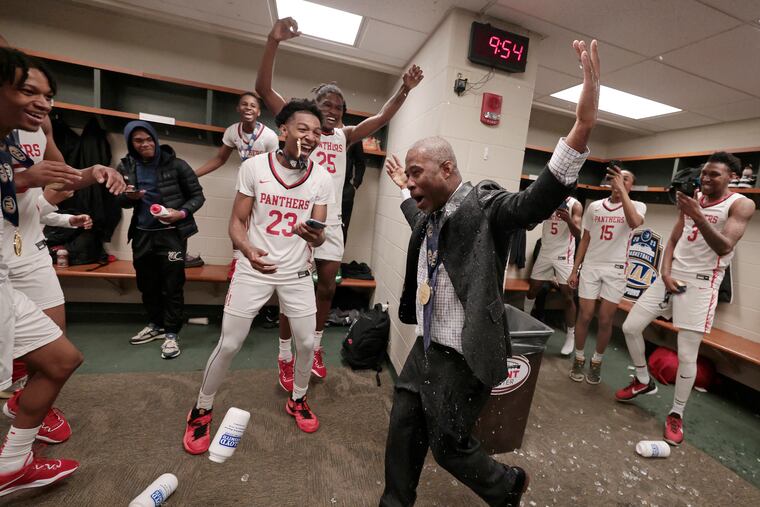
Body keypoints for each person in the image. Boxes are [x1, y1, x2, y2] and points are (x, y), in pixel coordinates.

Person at [380, 39, 600, 507]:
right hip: (428, 343)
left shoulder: (487, 208)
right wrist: (407, 190)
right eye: (410, 174)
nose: (412, 180)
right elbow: (419, 223)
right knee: (402, 428)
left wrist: (581, 126)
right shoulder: (430, 211)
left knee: (448, 446)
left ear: (448, 168)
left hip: (465, 351)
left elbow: (535, 201)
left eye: (419, 172)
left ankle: (507, 484)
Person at [256, 17, 423, 388]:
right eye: (326, 104)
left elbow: (381, 118)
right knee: (291, 290)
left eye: (339, 107)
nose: (333, 110)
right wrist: (273, 41)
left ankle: (314, 348)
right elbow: (264, 89)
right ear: (313, 107)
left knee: (327, 287)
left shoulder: (344, 136)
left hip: (330, 224)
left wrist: (405, 90)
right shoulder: (303, 129)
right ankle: (285, 355)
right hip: (296, 224)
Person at [182, 99, 333, 454]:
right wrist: (248, 250)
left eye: (316, 132)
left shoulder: (322, 177)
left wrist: (315, 235)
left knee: (308, 343)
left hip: (296, 273)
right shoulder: (253, 167)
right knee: (230, 343)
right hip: (255, 267)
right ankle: (202, 408)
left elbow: (321, 230)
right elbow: (236, 222)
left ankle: (297, 398)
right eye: (303, 129)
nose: (311, 137)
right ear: (283, 131)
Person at [615, 152, 755, 446]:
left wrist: (698, 215)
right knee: (630, 327)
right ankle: (643, 380)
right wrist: (664, 272)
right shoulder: (694, 197)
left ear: (731, 177)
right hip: (669, 277)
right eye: (704, 173)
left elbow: (724, 246)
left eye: (714, 174)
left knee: (687, 353)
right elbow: (675, 238)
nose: (706, 178)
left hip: (700, 285)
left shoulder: (741, 204)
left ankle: (676, 413)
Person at [0, 46, 85, 497]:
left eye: (48, 95)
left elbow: (60, 180)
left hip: (23, 252)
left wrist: (94, 173)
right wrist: (25, 180)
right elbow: (31, 185)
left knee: (60, 355)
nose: (42, 103)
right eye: (28, 90)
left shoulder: (23, 135)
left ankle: (12, 462)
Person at [117, 120, 205, 359]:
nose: (145, 144)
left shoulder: (177, 165)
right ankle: (156, 325)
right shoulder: (126, 166)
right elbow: (120, 201)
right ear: (130, 143)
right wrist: (130, 197)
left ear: (155, 139)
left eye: (148, 139)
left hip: (172, 236)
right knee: (147, 284)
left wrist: (182, 213)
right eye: (138, 140)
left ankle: (172, 333)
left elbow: (198, 196)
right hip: (142, 235)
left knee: (172, 285)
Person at [567, 166, 646, 384]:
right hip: (591, 266)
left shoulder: (638, 206)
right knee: (585, 315)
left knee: (605, 319)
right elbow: (585, 239)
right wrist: (575, 269)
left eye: (626, 179)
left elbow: (633, 223)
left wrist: (623, 192)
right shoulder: (594, 207)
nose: (620, 181)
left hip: (617, 268)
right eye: (617, 178)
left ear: (631, 185)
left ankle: (597, 362)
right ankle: (579, 358)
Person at [522, 195, 582, 355]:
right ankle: (522, 323)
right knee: (532, 291)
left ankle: (570, 336)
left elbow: (578, 233)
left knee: (568, 296)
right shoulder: (546, 199)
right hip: (545, 253)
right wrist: (540, 214)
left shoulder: (575, 205)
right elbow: (529, 226)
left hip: (564, 256)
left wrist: (568, 220)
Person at [195, 91, 279, 176]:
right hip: (244, 177)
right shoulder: (232, 131)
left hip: (263, 180)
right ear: (238, 108)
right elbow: (220, 159)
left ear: (258, 112)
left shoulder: (270, 136)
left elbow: (275, 167)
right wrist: (192, 175)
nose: (248, 108)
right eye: (244, 104)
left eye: (253, 106)